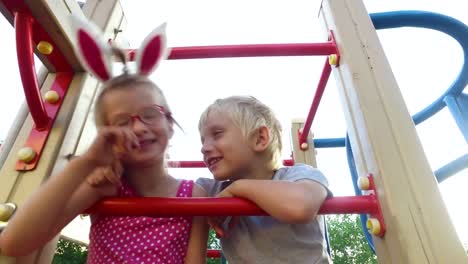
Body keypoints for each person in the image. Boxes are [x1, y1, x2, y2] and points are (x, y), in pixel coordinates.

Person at [0, 17, 208, 264]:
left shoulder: (194, 194)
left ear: (170, 124)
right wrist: (87, 162)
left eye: (150, 114)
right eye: (122, 122)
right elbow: (14, 241)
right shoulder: (105, 187)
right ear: (106, 136)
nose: (139, 127)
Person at [196, 95, 333, 264]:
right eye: (203, 140)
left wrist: (239, 188)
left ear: (260, 138)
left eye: (217, 134)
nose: (204, 148)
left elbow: (300, 207)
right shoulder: (211, 190)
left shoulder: (299, 176)